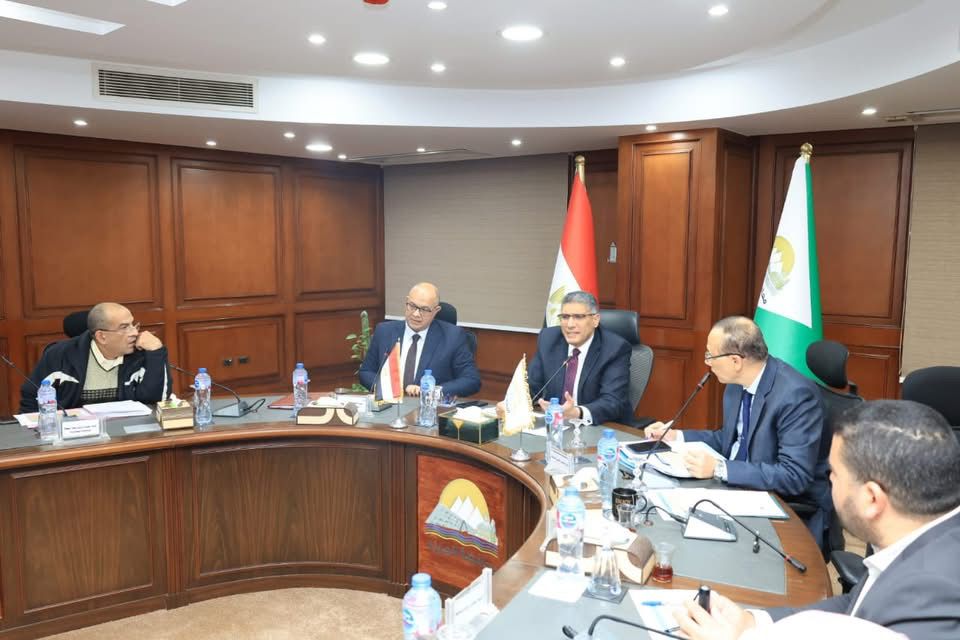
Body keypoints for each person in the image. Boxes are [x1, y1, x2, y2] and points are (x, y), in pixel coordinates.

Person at [673, 400, 960, 640]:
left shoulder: (933, 595)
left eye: (833, 473)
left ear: (872, 498)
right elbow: (857, 605)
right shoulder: (921, 537)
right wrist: (753, 623)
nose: (828, 482)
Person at [644, 316, 830, 547]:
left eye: (710, 355)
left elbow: (794, 476)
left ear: (735, 361)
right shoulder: (736, 385)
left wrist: (719, 469)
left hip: (784, 506)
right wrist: (677, 436)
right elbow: (730, 440)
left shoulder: (795, 395)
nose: (707, 363)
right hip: (737, 489)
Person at [19, 302, 169, 412]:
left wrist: (156, 353)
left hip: (128, 435)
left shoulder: (142, 354)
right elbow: (32, 401)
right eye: (124, 327)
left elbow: (157, 401)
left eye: (133, 325)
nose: (134, 333)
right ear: (101, 336)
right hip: (74, 436)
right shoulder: (60, 356)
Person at [524, 291, 631, 426]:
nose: (570, 324)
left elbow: (612, 401)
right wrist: (511, 404)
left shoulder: (615, 348)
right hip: (555, 425)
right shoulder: (548, 339)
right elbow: (530, 386)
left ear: (595, 320)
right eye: (565, 317)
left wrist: (576, 412)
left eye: (578, 317)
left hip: (600, 427)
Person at [359, 282, 480, 398]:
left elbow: (471, 380)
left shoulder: (453, 336)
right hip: (390, 404)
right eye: (412, 306)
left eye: (424, 309)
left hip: (431, 407)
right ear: (407, 302)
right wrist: (392, 388)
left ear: (436, 311)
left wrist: (431, 391)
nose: (416, 314)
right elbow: (366, 372)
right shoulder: (384, 331)